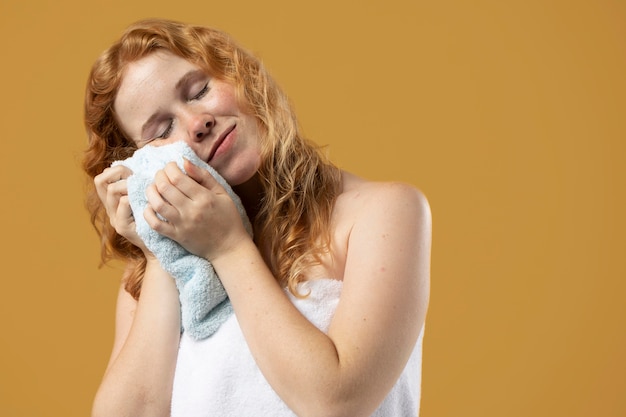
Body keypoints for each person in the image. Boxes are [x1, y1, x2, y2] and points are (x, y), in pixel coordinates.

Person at [83, 18, 431, 417]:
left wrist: (229, 248)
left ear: (237, 73)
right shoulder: (151, 276)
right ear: (141, 164)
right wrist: (161, 251)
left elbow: (336, 404)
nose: (198, 123)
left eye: (200, 90)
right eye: (163, 129)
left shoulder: (384, 212)